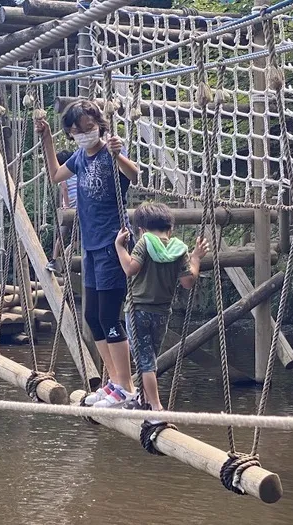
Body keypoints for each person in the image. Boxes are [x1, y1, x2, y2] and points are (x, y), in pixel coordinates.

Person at [36, 99, 140, 408]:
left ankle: (125, 386)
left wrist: (118, 152)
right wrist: (47, 140)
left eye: (89, 128)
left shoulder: (110, 152)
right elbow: (55, 175)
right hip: (91, 247)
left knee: (109, 316)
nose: (84, 134)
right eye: (77, 131)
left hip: (113, 245)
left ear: (99, 126)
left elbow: (135, 175)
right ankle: (113, 383)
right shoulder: (81, 157)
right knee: (93, 317)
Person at [115, 202, 208, 411]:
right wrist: (195, 258)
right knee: (150, 359)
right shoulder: (179, 249)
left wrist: (120, 248)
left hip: (138, 309)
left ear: (141, 229)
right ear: (171, 228)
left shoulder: (145, 242)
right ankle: (145, 401)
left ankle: (156, 407)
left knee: (144, 361)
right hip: (162, 313)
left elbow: (130, 269)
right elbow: (188, 282)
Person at [46, 150, 76, 274]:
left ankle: (53, 260)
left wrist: (67, 206)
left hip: (71, 208)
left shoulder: (64, 174)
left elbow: (64, 188)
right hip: (81, 207)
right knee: (76, 238)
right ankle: (67, 254)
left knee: (61, 236)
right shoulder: (77, 172)